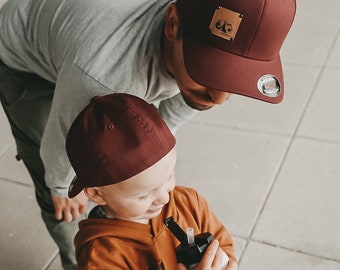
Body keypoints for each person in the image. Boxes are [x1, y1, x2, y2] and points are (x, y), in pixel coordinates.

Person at [0, 0, 296, 268]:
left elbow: (160, 132)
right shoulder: (101, 79)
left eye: (232, 77)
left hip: (77, 39)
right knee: (59, 189)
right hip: (22, 49)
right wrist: (58, 186)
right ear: (172, 24)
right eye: (208, 73)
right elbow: (57, 142)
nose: (219, 99)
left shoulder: (192, 48)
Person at [65, 93, 238, 270]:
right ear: (97, 193)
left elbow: (224, 244)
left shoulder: (188, 201)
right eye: (144, 195)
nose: (164, 197)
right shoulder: (101, 258)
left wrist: (224, 263)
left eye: (169, 176)